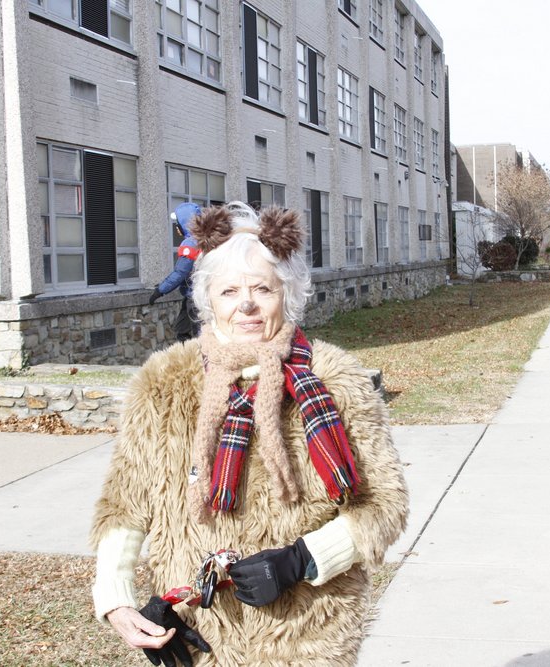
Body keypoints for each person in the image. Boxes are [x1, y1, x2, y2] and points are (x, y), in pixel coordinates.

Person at [91, 201, 408, 666]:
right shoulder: (163, 382)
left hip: (309, 627)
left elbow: (384, 505)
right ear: (207, 298)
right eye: (229, 291)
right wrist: (116, 599)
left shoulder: (334, 380)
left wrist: (303, 559)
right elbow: (126, 505)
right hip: (198, 628)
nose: (246, 305)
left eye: (263, 288)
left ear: (290, 292)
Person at [149, 202, 202, 342]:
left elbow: (180, 273)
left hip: (196, 297)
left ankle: (199, 362)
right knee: (182, 330)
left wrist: (160, 291)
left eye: (177, 223)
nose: (176, 227)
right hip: (195, 295)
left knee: (197, 334)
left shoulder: (191, 244)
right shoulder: (205, 239)